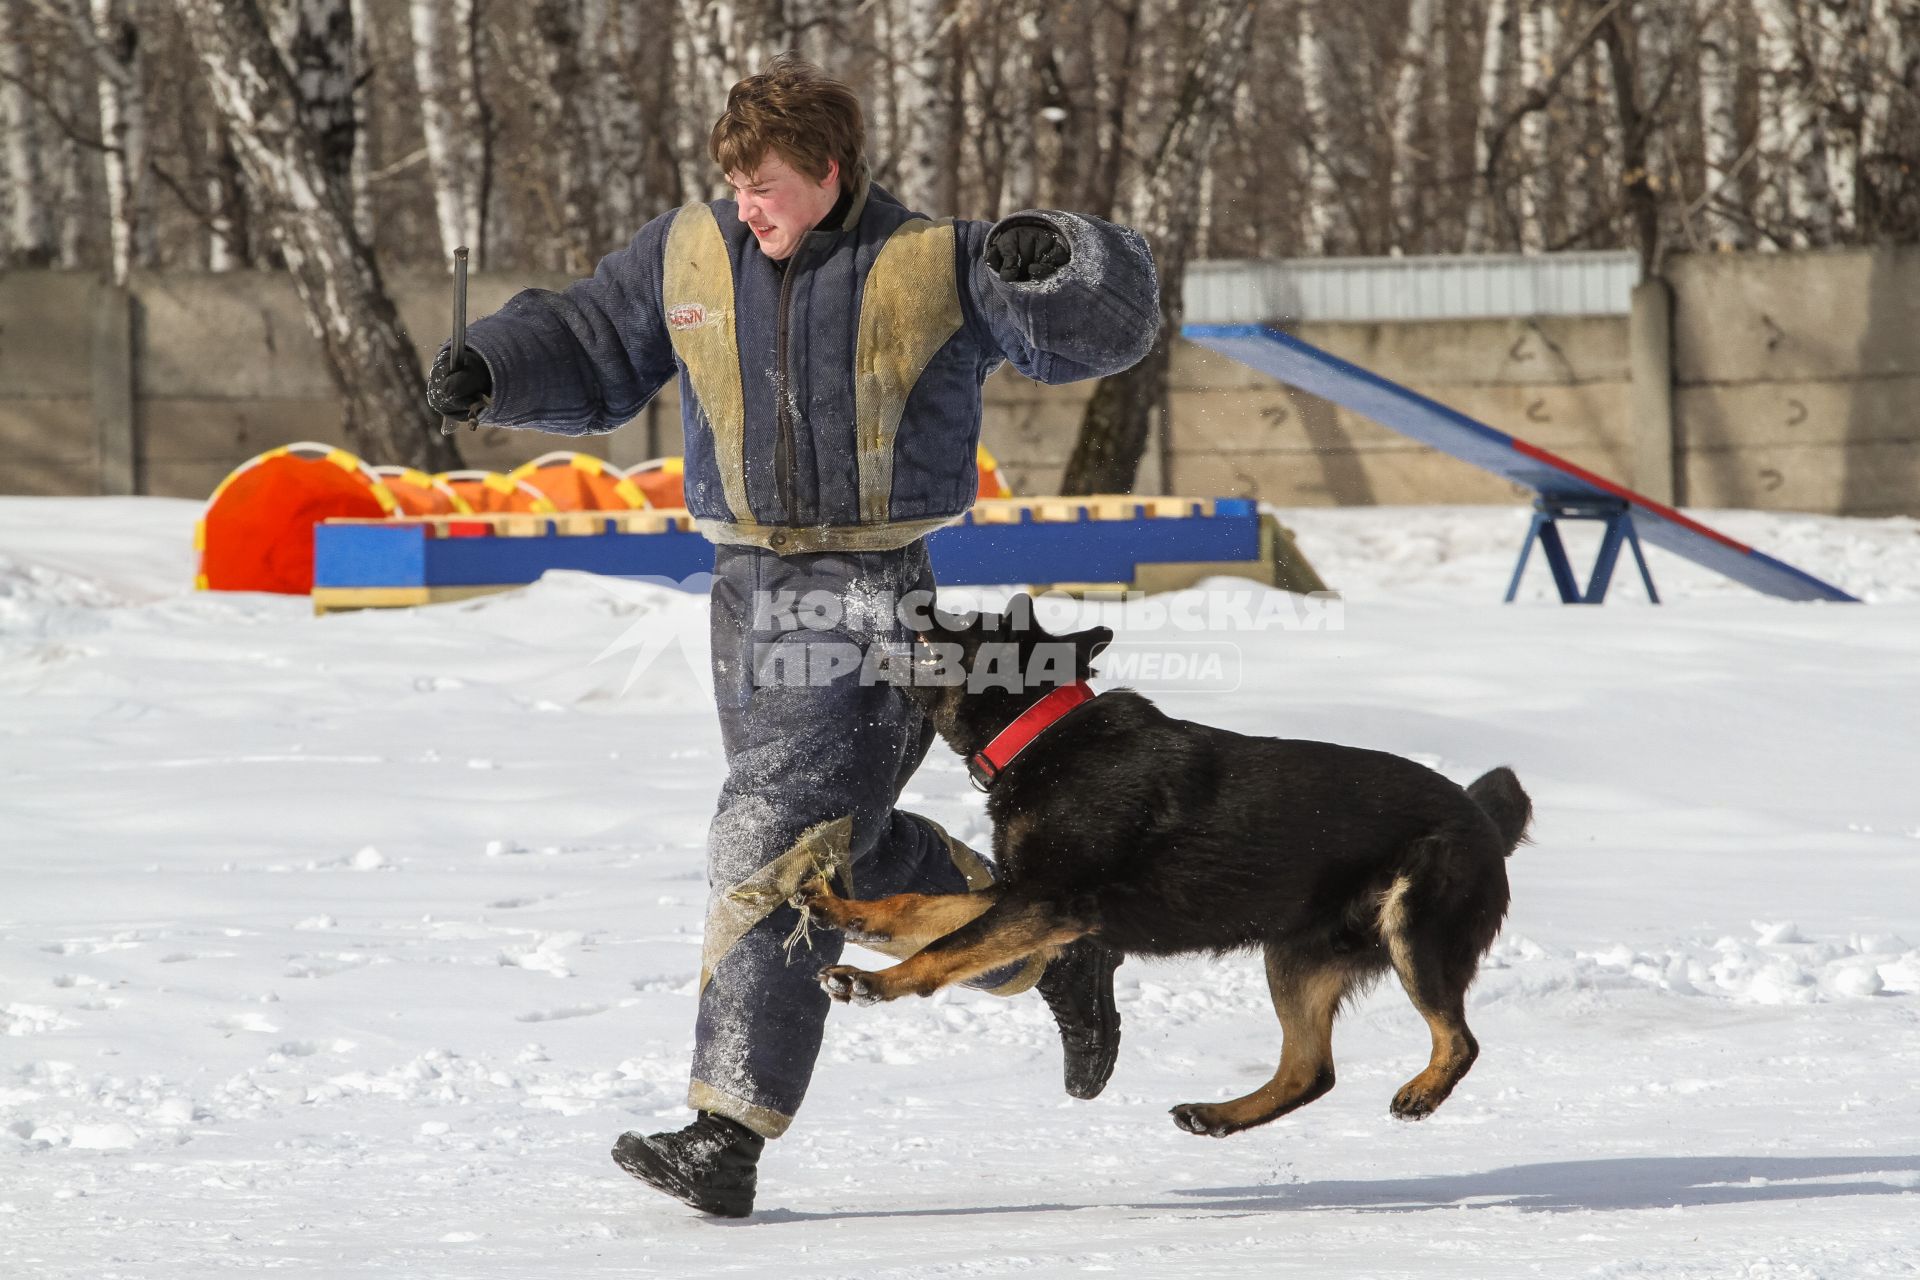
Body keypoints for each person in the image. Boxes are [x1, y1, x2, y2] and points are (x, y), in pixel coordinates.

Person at [426, 53, 1159, 1217]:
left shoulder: (932, 260)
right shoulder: (688, 253)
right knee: (840, 855)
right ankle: (1047, 941)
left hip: (866, 591)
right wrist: (490, 365)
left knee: (768, 834)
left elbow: (1096, 321)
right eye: (734, 179)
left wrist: (1055, 255)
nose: (747, 203)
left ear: (828, 171)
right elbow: (591, 336)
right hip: (742, 587)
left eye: (767, 182)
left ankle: (728, 1129)